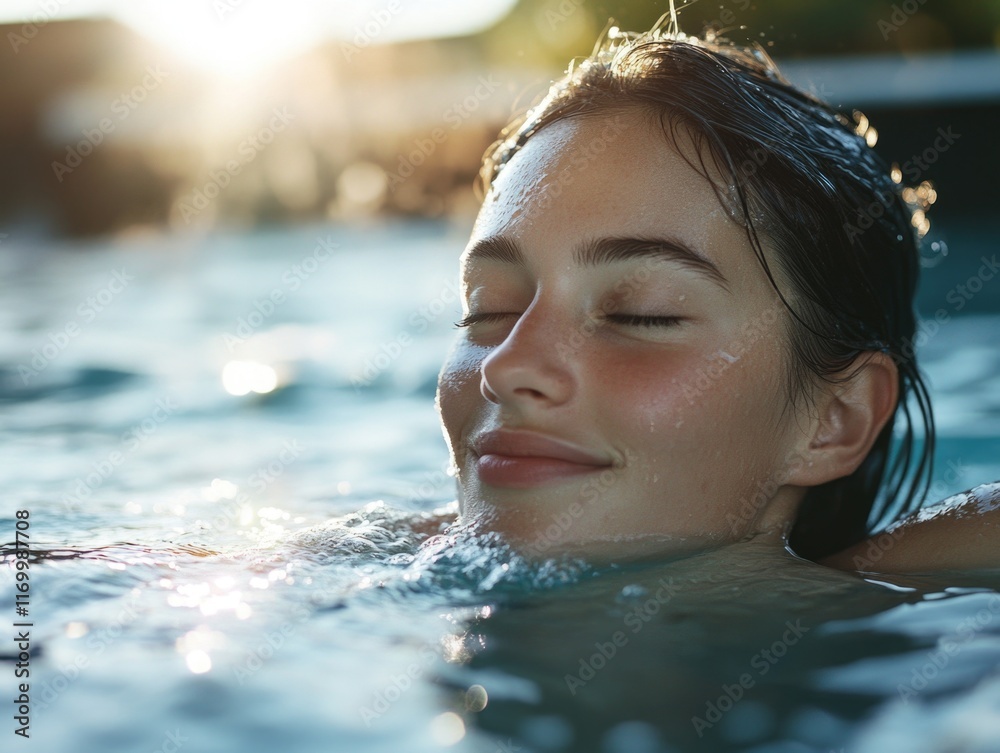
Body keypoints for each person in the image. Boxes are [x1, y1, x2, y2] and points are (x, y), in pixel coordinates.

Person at [432, 20, 1000, 571]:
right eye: (490, 307)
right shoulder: (358, 565)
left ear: (835, 419)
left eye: (641, 314)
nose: (508, 366)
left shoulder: (924, 633)